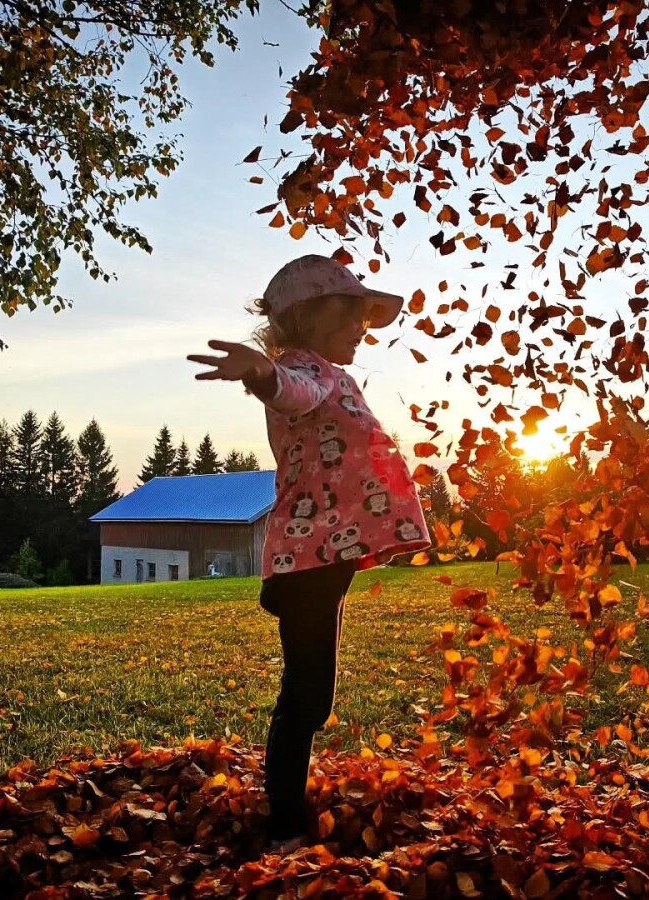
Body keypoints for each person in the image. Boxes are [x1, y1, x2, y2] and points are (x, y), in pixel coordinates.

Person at [187, 254, 431, 853]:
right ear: (313, 317)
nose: (363, 329)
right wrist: (262, 375)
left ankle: (287, 808)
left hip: (324, 557)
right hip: (309, 561)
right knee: (306, 697)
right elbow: (292, 393)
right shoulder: (303, 368)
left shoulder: (332, 373)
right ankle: (286, 823)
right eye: (353, 316)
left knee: (312, 693)